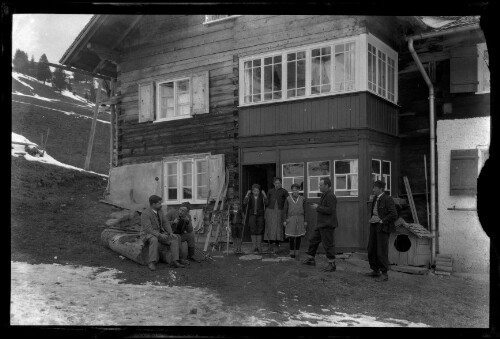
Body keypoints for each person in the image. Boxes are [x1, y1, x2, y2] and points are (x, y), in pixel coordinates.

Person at [140, 195, 185, 271]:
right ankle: (152, 262)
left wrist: (170, 232)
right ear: (153, 204)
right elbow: (148, 229)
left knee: (174, 238)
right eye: (159, 203)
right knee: (154, 240)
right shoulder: (145, 213)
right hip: (147, 234)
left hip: (159, 233)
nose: (161, 205)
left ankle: (175, 260)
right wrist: (159, 235)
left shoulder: (160, 211)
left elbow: (165, 223)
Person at [302, 177, 338, 272]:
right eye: (319, 185)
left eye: (321, 185)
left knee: (328, 244)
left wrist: (318, 207)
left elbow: (330, 210)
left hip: (327, 224)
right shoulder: (324, 195)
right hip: (321, 224)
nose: (319, 186)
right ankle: (311, 259)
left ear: (326, 185)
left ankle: (332, 264)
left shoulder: (330, 195)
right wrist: (319, 207)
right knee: (313, 240)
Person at [366, 180, 398, 282]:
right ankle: (375, 270)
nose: (373, 189)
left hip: (383, 227)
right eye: (373, 187)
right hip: (374, 225)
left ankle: (384, 274)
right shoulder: (376, 198)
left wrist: (382, 221)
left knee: (381, 250)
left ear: (381, 189)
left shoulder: (388, 199)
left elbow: (394, 214)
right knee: (371, 248)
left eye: (375, 188)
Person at [264, 177, 289, 253]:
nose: (277, 184)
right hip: (270, 210)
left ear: (281, 183)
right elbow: (266, 202)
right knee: (270, 226)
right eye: (276, 183)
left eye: (279, 183)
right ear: (273, 184)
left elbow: (288, 201)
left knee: (278, 226)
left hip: (280, 211)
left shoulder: (284, 191)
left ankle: (277, 244)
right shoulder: (270, 191)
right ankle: (271, 243)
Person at [283, 183, 307, 259]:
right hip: (291, 218)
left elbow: (305, 211)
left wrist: (305, 221)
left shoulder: (302, 199)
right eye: (293, 190)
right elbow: (285, 210)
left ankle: (297, 252)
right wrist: (284, 220)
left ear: (299, 190)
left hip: (300, 218)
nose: (295, 191)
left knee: (298, 236)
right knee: (291, 236)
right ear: (292, 191)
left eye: (296, 189)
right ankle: (291, 252)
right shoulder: (288, 199)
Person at [243, 184, 268, 253]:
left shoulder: (261, 197)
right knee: (253, 229)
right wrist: (247, 194)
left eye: (257, 191)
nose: (256, 192)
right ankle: (254, 246)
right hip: (252, 215)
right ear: (252, 191)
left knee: (260, 229)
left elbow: (266, 203)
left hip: (260, 215)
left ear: (259, 191)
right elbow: (245, 202)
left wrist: (264, 195)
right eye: (254, 191)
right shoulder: (250, 197)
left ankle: (259, 246)